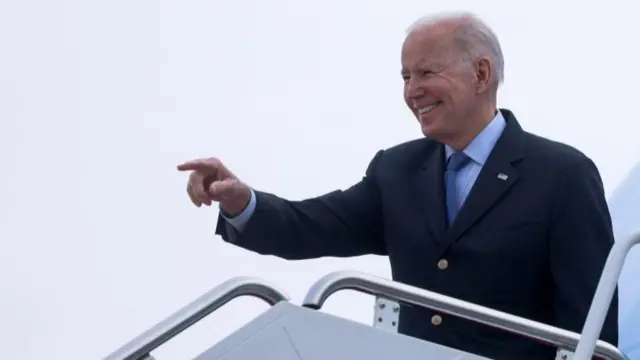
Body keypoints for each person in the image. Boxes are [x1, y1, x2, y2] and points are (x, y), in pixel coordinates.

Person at [177, 12, 619, 360]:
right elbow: (312, 225)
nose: (413, 92)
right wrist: (241, 203)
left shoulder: (562, 174)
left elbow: (595, 332)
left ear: (481, 75)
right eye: (406, 77)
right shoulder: (398, 171)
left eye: (426, 73)